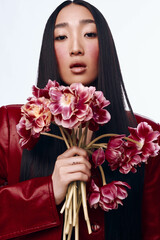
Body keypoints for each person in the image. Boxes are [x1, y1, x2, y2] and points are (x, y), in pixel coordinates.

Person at [0, 0, 160, 239]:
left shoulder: (143, 140)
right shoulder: (11, 126)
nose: (76, 48)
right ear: (48, 49)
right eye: (61, 37)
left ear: (105, 46)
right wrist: (48, 191)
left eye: (89, 34)